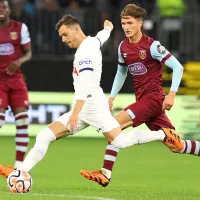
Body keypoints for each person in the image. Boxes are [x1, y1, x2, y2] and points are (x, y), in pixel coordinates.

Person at [0, 14, 181, 179]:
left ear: (76, 29)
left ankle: (161, 134)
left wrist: (75, 113)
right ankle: (21, 172)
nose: (63, 40)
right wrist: (108, 28)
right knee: (44, 136)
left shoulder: (85, 53)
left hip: (92, 106)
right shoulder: (92, 42)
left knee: (119, 140)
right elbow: (101, 37)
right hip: (84, 106)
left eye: (65, 35)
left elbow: (85, 86)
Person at [80, 4, 200, 187]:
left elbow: (178, 67)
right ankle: (167, 136)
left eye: (130, 23)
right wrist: (111, 98)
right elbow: (121, 73)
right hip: (145, 102)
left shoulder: (152, 46)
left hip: (153, 99)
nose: (126, 27)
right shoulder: (123, 47)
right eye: (123, 23)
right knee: (177, 145)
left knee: (113, 126)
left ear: (140, 23)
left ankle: (105, 173)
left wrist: (172, 94)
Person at [0, 0, 32, 168]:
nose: (1, 9)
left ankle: (20, 166)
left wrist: (19, 61)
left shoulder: (20, 28)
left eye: (4, 6)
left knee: (22, 121)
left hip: (16, 79)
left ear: (9, 9)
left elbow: (28, 53)